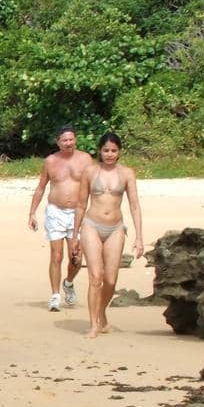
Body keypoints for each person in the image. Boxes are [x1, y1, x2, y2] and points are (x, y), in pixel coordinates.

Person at [73, 132, 144, 338]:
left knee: (111, 280)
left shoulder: (127, 174)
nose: (110, 154)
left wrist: (139, 237)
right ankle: (94, 323)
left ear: (119, 152)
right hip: (91, 225)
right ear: (99, 151)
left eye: (113, 151)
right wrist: (74, 235)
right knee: (96, 277)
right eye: (106, 150)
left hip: (115, 228)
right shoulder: (90, 171)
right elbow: (80, 204)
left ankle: (101, 312)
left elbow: (134, 205)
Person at [26, 126, 93, 311]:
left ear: (75, 140)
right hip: (55, 211)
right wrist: (32, 213)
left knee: (76, 257)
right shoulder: (51, 161)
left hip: (77, 213)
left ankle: (69, 283)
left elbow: (93, 184)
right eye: (65, 140)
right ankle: (55, 296)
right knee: (56, 255)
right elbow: (41, 188)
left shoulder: (85, 159)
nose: (68, 143)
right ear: (58, 142)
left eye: (71, 139)